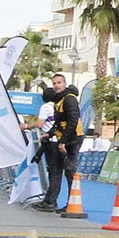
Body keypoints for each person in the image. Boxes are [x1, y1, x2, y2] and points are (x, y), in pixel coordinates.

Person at [37, 74, 80, 213]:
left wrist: (63, 142)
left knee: (69, 170)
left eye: (59, 82)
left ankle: (73, 203)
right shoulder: (58, 100)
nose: (56, 85)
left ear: (65, 83)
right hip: (62, 138)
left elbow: (73, 121)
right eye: (54, 83)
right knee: (55, 169)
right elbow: (58, 123)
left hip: (73, 139)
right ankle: (50, 201)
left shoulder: (69, 99)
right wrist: (49, 134)